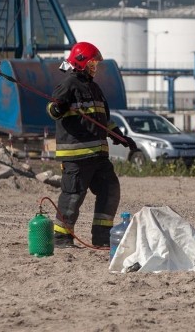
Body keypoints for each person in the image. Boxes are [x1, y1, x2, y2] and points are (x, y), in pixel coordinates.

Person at [46, 41, 137, 248]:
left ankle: (102, 236)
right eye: (92, 64)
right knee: (73, 196)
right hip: (76, 155)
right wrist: (58, 108)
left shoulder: (95, 88)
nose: (94, 68)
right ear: (81, 63)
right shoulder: (68, 84)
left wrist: (120, 136)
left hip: (98, 155)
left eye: (96, 64)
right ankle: (61, 237)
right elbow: (52, 108)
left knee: (110, 189)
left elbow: (103, 119)